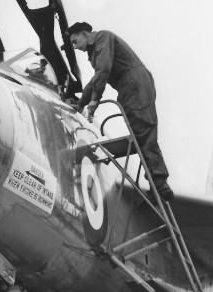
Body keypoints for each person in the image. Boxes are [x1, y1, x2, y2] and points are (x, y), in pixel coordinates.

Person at [66, 21, 173, 200]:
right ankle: (158, 184)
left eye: (75, 41)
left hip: (134, 83)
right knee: (140, 133)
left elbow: (103, 71)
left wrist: (93, 102)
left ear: (84, 33)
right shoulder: (96, 49)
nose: (75, 47)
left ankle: (160, 185)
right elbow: (95, 81)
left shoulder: (103, 37)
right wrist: (81, 104)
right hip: (129, 87)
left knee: (143, 132)